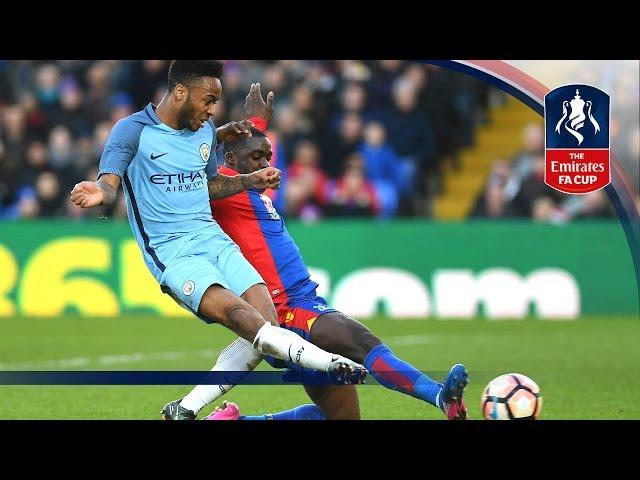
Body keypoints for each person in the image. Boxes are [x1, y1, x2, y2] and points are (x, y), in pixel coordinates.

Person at [68, 61, 367, 420]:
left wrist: (248, 180)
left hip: (214, 240)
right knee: (243, 317)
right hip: (174, 253)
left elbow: (207, 186)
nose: (212, 110)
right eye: (208, 100)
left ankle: (185, 409)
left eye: (216, 102)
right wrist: (99, 192)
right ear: (181, 91)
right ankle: (332, 364)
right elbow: (109, 182)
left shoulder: (205, 131)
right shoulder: (132, 130)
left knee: (264, 322)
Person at [178, 84, 469, 420]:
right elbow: (190, 162)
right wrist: (222, 134)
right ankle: (439, 397)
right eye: (256, 159)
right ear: (229, 161)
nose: (265, 164)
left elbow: (246, 147)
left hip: (303, 300)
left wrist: (256, 121)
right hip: (283, 310)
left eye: (267, 158)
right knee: (359, 339)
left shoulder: (249, 183)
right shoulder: (224, 186)